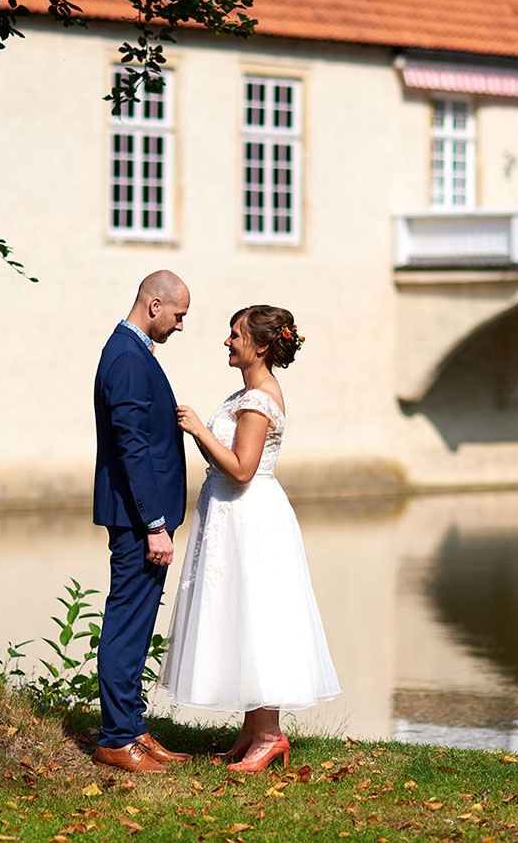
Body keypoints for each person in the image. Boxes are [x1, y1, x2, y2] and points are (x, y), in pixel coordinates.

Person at [163, 304, 341, 773]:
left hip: (250, 516)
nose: (227, 341)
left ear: (261, 346)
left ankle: (269, 736)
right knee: (241, 612)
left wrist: (199, 428)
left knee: (258, 614)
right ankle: (251, 731)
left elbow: (242, 469)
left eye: (236, 334)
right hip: (231, 516)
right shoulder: (247, 393)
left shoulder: (259, 400)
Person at [91, 269, 193, 773]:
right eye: (178, 316)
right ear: (154, 305)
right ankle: (114, 738)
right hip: (137, 520)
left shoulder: (132, 352)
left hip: (142, 518)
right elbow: (132, 446)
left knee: (138, 618)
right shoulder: (128, 358)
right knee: (128, 623)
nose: (179, 327)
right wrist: (155, 522)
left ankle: (132, 726)